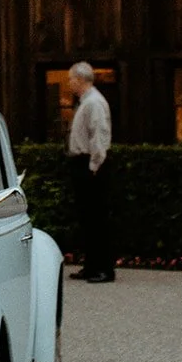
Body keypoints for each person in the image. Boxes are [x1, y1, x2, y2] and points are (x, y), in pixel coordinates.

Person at [66, 61, 114, 282]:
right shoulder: (87, 102)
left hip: (89, 164)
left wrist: (94, 165)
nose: (69, 83)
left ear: (80, 79)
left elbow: (99, 135)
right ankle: (92, 265)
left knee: (96, 218)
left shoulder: (93, 103)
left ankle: (103, 268)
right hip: (84, 162)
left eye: (71, 79)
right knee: (88, 218)